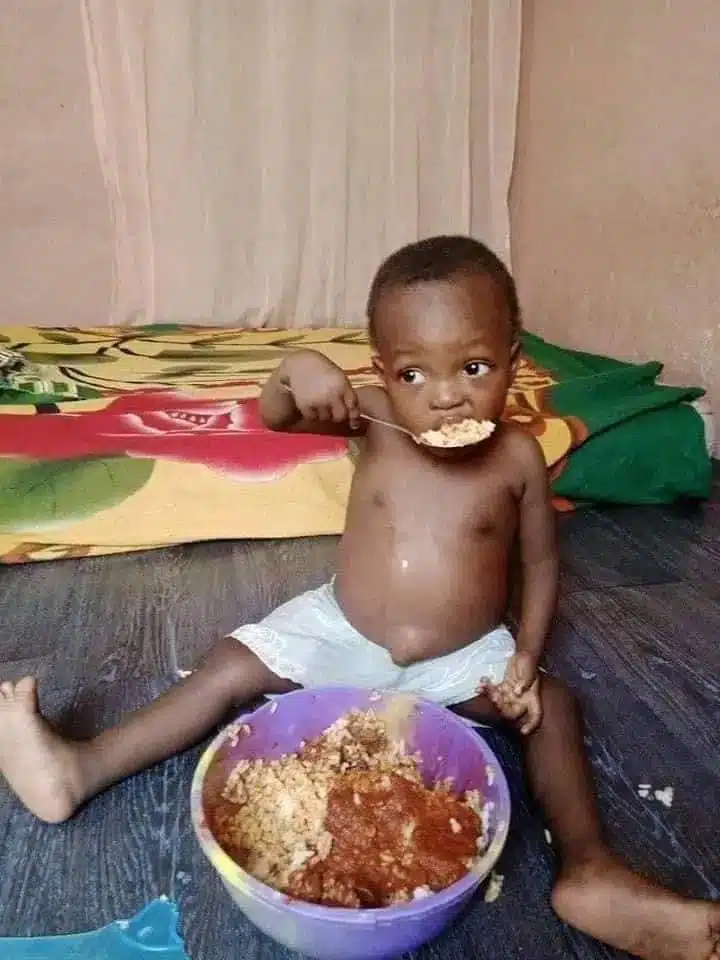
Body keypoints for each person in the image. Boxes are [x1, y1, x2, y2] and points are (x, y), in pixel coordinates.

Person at [0, 236, 717, 960]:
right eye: (413, 372)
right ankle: (81, 767)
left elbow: (539, 561)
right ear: (381, 372)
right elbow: (277, 413)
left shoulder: (518, 458)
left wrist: (525, 657)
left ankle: (589, 867)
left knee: (555, 707)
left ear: (514, 359)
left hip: (462, 656)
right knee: (227, 667)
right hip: (341, 628)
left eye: (474, 367)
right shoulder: (370, 418)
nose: (444, 396)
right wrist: (298, 371)